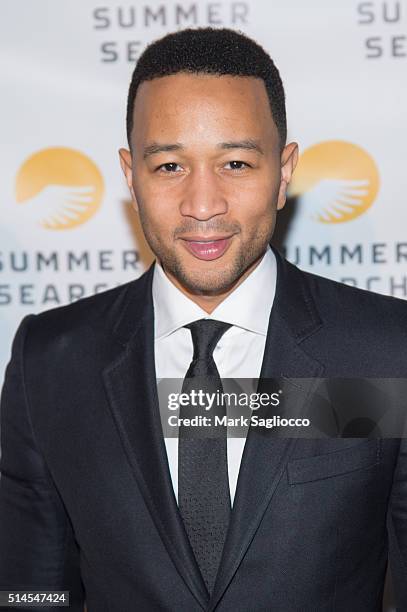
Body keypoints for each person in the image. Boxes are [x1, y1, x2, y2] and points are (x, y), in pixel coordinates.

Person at [0, 27, 406, 612]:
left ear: (284, 172)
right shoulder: (51, 360)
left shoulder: (386, 353)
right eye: (168, 166)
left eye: (236, 162)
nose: (203, 204)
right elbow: (30, 592)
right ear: (130, 175)